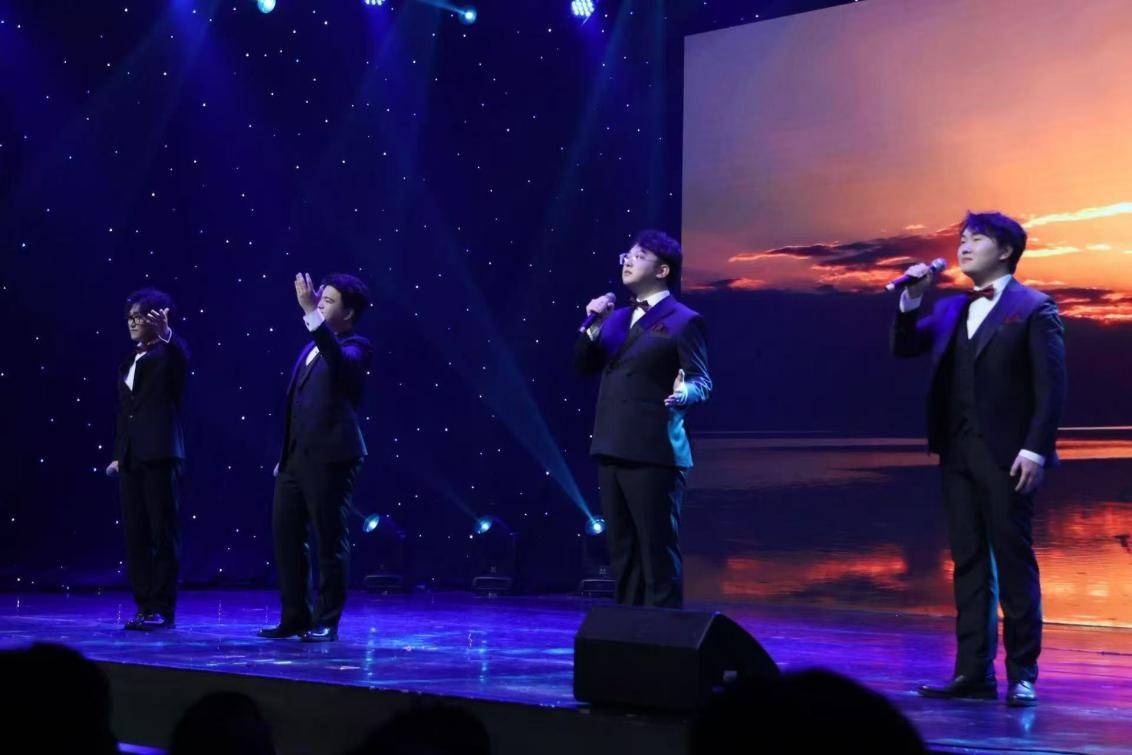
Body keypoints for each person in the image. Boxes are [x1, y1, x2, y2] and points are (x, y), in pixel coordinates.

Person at [891, 211, 1067, 706]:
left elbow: (1051, 388)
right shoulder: (951, 308)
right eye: (962, 240)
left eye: (977, 240)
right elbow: (905, 346)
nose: (964, 247)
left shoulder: (1034, 308)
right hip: (956, 450)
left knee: (1013, 560)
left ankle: (1023, 673)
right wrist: (911, 299)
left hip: (1008, 454)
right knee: (967, 561)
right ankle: (973, 672)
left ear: (1005, 251)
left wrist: (1035, 448)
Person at [574, 230, 712, 608]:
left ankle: (664, 634)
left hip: (655, 451)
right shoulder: (615, 319)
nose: (628, 261)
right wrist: (593, 326)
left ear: (663, 270)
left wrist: (684, 393)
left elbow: (702, 380)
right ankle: (627, 631)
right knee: (622, 553)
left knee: (656, 552)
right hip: (611, 445)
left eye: (639, 256)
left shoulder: (684, 321)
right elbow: (583, 367)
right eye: (627, 255)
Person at [259, 273, 374, 642]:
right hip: (295, 459)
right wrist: (285, 453)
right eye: (319, 299)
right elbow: (299, 406)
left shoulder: (357, 347)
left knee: (329, 539)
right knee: (287, 538)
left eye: (328, 301)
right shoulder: (309, 348)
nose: (319, 304)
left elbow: (338, 361)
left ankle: (326, 620)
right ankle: (295, 616)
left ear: (349, 313)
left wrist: (310, 313)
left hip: (332, 457)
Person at [107, 288, 188, 630]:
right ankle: (143, 605)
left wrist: (168, 335)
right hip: (131, 458)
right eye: (130, 317)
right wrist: (118, 455)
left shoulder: (169, 355)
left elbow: (182, 362)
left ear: (159, 318)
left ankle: (161, 607)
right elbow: (125, 414)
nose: (133, 323)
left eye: (139, 317)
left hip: (160, 454)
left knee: (162, 533)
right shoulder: (129, 361)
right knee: (136, 534)